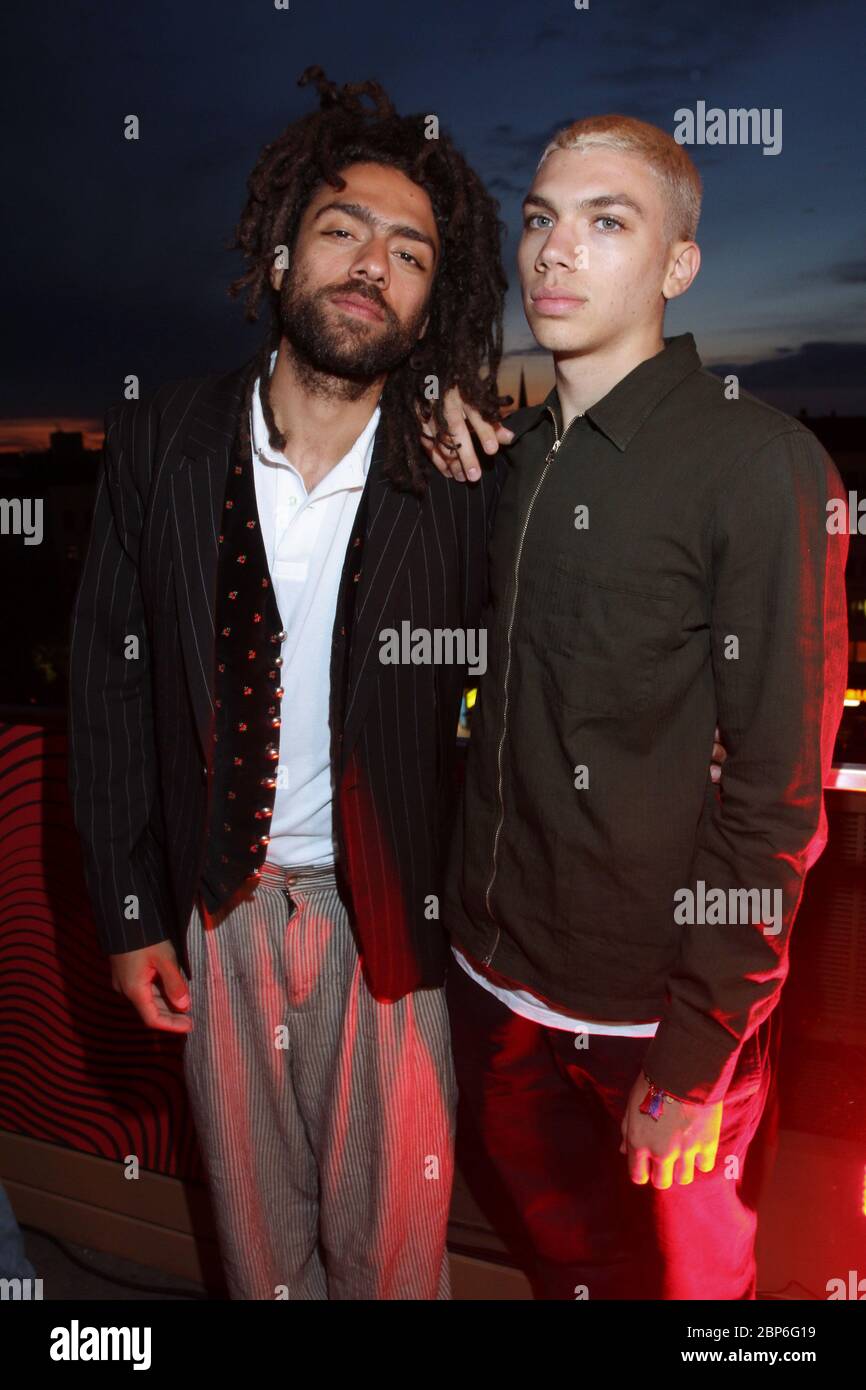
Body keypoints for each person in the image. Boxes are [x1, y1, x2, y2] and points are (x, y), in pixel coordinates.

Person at [67, 66, 511, 1300]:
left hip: (393, 920)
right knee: (259, 1258)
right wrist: (127, 910)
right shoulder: (159, 442)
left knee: (391, 1258)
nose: (372, 263)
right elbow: (104, 687)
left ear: (429, 307)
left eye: (409, 253)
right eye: (340, 232)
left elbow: (542, 658)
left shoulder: (463, 473)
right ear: (277, 260)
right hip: (222, 912)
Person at [423, 113, 849, 1299]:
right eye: (541, 219)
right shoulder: (516, 461)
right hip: (496, 984)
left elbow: (775, 795)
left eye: (606, 223)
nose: (554, 252)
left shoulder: (756, 464)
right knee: (562, 1267)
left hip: (650, 1027)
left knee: (691, 1299)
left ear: (674, 265)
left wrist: (699, 1050)